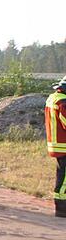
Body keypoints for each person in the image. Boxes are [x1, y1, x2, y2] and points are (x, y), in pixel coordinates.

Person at [45, 76, 66, 217]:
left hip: (56, 144)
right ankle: (62, 209)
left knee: (61, 176)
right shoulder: (63, 102)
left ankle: (60, 207)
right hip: (64, 146)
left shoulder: (53, 98)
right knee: (64, 179)